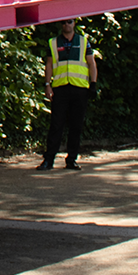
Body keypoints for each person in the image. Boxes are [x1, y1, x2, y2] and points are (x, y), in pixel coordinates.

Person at [40, 17, 97, 169]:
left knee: (76, 125)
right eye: (64, 22)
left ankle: (71, 159)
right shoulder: (53, 42)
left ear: (74, 23)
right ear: (60, 25)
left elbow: (91, 63)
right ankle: (49, 159)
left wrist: (93, 84)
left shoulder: (84, 41)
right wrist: (47, 85)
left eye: (69, 21)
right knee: (56, 125)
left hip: (79, 88)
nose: (67, 24)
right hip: (60, 87)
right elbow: (49, 64)